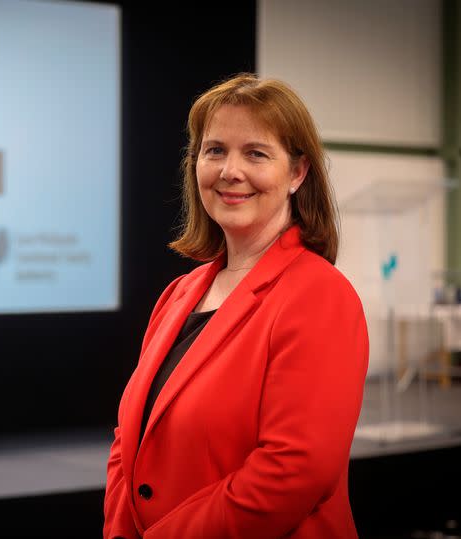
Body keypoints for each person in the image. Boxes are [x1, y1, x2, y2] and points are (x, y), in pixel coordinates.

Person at [103, 73, 369, 539]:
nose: (230, 170)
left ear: (297, 173)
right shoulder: (178, 295)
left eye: (256, 153)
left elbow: (292, 473)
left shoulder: (319, 296)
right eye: (214, 150)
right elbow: (128, 444)